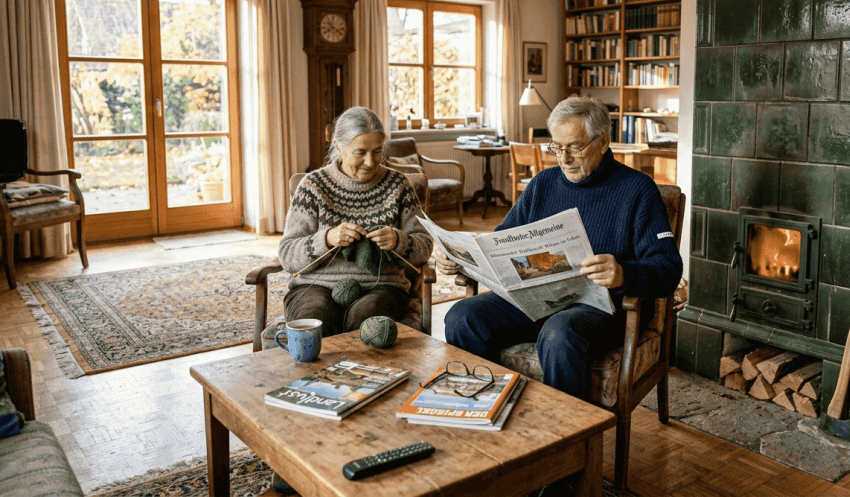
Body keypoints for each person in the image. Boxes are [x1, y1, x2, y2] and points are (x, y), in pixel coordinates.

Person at [439, 95, 683, 401]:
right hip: (535, 301)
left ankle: (566, 429)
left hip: (601, 309)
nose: (564, 159)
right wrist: (463, 259)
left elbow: (668, 270)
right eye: (556, 147)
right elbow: (501, 241)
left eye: (575, 147)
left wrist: (623, 273)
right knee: (462, 316)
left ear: (603, 142)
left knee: (558, 333)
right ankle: (486, 409)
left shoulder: (638, 190)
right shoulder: (542, 183)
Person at [278, 106, 432, 338]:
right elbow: (288, 255)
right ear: (338, 146)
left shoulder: (398, 185)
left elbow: (425, 247)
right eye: (360, 152)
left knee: (367, 322)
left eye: (377, 151)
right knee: (317, 319)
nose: (370, 162)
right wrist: (326, 239)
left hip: (383, 288)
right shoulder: (312, 186)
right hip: (314, 287)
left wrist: (399, 241)